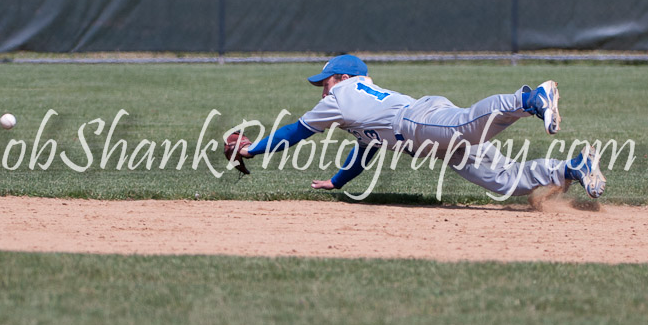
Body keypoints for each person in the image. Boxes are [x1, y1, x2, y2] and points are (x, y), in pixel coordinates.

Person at [235, 54, 606, 199]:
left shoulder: (341, 96)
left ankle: (528, 99)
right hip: (424, 136)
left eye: (325, 82)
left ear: (343, 78)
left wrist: (251, 149)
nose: (323, 90)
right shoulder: (358, 103)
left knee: (466, 125)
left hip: (416, 122)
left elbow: (294, 133)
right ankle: (572, 168)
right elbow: (366, 148)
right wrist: (338, 181)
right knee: (503, 180)